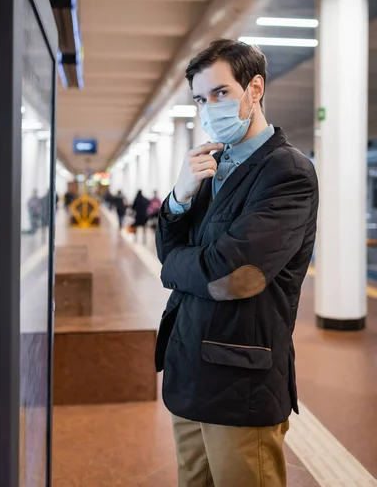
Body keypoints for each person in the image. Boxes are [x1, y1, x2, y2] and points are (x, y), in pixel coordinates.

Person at [155, 39, 318, 487]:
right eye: (201, 99)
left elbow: (234, 275)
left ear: (255, 88)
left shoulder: (287, 172)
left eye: (221, 93)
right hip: (188, 369)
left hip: (240, 381)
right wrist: (179, 196)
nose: (210, 107)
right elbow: (170, 247)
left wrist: (175, 266)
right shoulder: (211, 165)